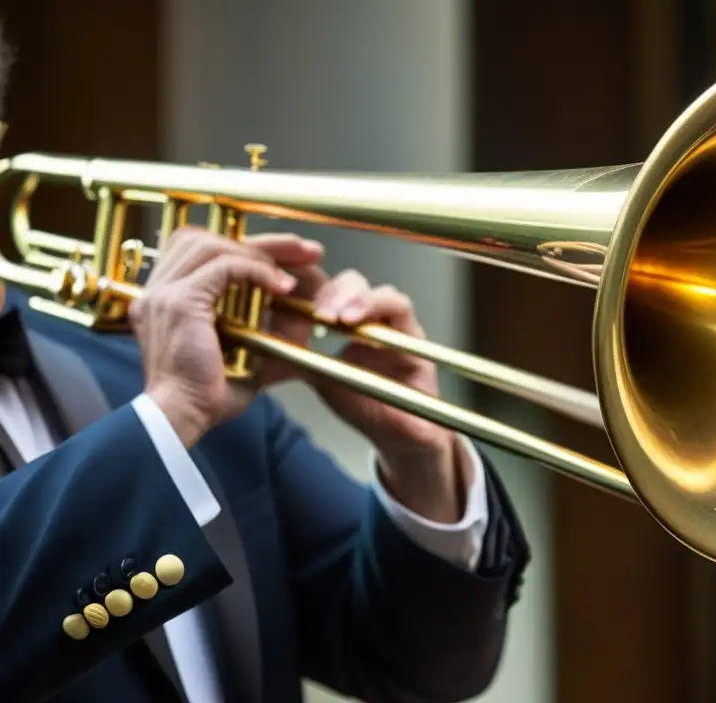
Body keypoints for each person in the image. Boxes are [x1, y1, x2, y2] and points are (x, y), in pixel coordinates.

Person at [0, 44, 530, 701]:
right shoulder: (173, 396)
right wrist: (169, 414)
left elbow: (416, 666)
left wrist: (418, 453)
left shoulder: (148, 359)